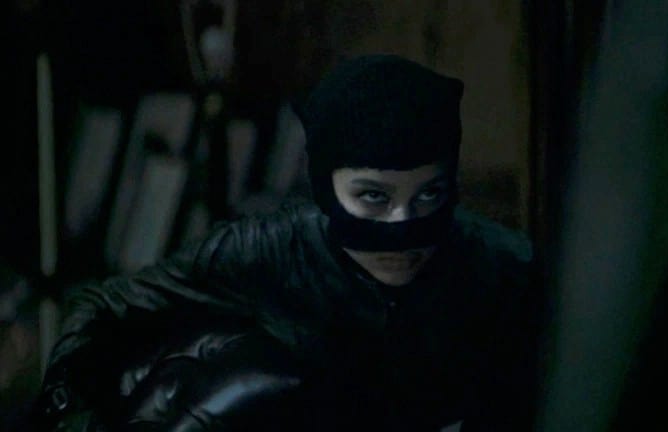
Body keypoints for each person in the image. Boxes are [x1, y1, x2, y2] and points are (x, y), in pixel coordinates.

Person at [32, 54, 542, 432]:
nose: (403, 226)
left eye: (429, 195)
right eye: (373, 197)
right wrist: (70, 411)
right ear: (327, 189)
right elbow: (105, 306)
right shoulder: (273, 248)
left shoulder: (500, 268)